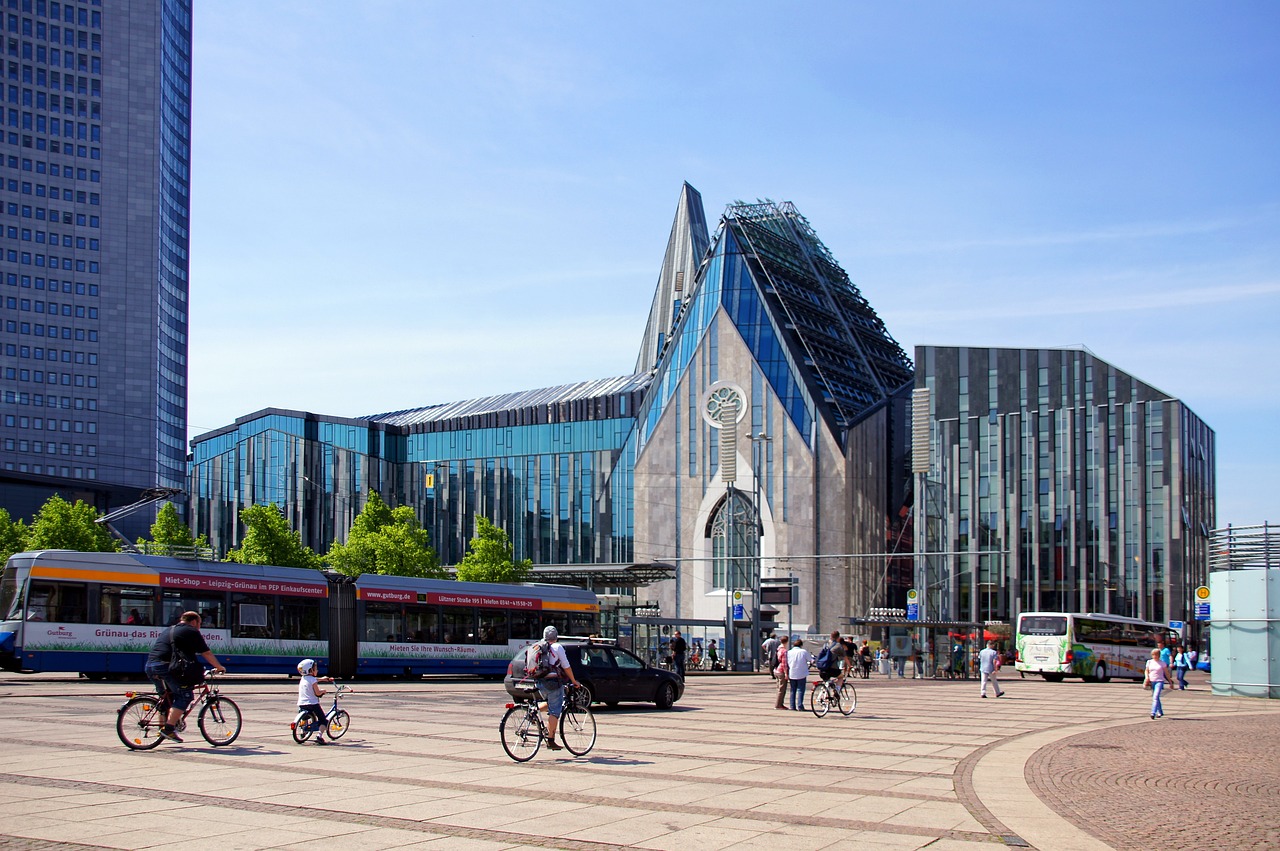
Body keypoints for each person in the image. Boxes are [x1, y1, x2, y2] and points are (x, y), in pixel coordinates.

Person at [144, 611, 226, 743]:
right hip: (166, 667)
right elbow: (206, 653)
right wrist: (219, 667)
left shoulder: (169, 629)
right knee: (185, 696)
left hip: (150, 666)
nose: (199, 627)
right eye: (200, 624)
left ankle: (163, 729)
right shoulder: (191, 631)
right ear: (194, 622)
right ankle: (169, 729)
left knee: (167, 698)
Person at [525, 625, 581, 750]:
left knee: (551, 702)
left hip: (539, 681)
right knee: (555, 711)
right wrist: (573, 680)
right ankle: (551, 740)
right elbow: (566, 666)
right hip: (553, 682)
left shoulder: (537, 646)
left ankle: (532, 711)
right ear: (556, 637)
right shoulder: (557, 647)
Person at [295, 658, 334, 745]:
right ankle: (319, 736)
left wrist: (323, 679)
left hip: (302, 704)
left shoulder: (303, 678)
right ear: (310, 670)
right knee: (323, 720)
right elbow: (317, 693)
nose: (317, 670)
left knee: (305, 717)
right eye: (315, 668)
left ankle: (302, 731)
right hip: (313, 704)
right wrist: (323, 691)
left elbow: (313, 680)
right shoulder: (312, 680)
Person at [786, 636, 814, 711]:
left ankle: (792, 706)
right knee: (801, 690)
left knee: (793, 690)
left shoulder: (789, 652)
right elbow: (811, 660)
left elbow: (787, 662)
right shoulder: (803, 652)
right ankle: (800, 706)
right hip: (801, 673)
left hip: (792, 673)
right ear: (801, 645)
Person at [1143, 648, 1170, 719]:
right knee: (1156, 697)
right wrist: (1147, 677)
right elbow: (1146, 671)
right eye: (1153, 655)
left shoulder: (1162, 663)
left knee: (1155, 696)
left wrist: (1170, 681)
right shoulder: (1149, 662)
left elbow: (1166, 673)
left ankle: (1153, 712)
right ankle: (1160, 712)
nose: (1154, 656)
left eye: (1156, 655)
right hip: (1152, 681)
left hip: (1160, 681)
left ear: (1159, 655)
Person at [773, 635, 790, 709]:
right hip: (781, 671)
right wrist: (786, 673)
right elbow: (784, 663)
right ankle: (778, 705)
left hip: (776, 670)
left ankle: (779, 704)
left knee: (778, 688)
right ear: (787, 642)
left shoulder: (778, 649)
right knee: (782, 689)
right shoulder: (784, 651)